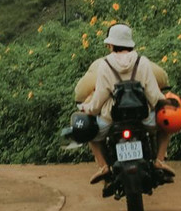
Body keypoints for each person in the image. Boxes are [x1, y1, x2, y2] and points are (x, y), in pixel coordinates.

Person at [74, 23, 175, 183]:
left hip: (111, 119)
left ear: (112, 44)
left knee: (91, 134)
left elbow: (98, 100)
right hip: (143, 117)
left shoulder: (105, 65)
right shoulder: (142, 62)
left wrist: (87, 109)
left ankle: (103, 167)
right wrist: (168, 103)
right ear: (129, 43)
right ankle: (160, 160)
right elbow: (154, 96)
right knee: (165, 127)